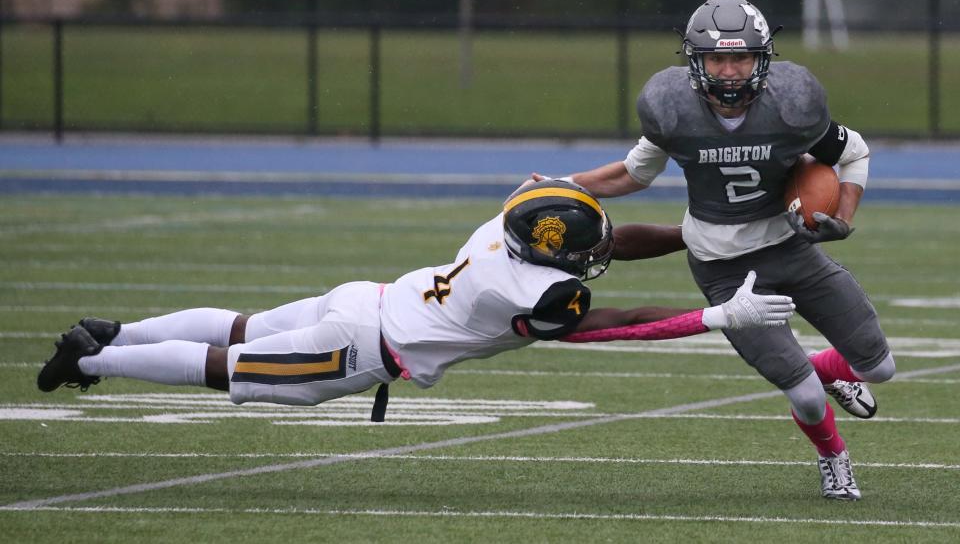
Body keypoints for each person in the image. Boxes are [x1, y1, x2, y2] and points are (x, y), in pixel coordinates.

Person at [38, 180, 794, 425]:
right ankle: (96, 357)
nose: (597, 256)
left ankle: (117, 328)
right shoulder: (543, 294)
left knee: (240, 323)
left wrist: (695, 237)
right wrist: (714, 316)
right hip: (362, 346)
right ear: (553, 254)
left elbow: (604, 235)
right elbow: (614, 325)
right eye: (583, 252)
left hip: (368, 298)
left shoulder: (513, 219)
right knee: (226, 365)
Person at [532, 0, 895, 501]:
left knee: (881, 368)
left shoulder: (792, 106)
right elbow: (633, 172)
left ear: (761, 59)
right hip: (723, 269)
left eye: (740, 58)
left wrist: (843, 216)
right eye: (716, 59)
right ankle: (833, 456)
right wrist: (559, 183)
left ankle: (829, 368)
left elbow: (853, 153)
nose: (728, 72)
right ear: (695, 61)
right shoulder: (672, 110)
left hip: (792, 248)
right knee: (806, 397)